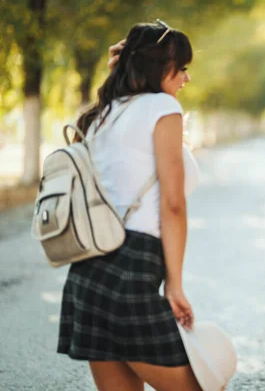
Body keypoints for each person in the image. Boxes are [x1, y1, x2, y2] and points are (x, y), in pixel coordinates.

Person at [57, 21, 203, 391]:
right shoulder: (161, 107)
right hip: (134, 266)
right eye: (182, 67)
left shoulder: (103, 114)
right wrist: (175, 284)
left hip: (88, 269)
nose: (186, 78)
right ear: (160, 66)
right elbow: (172, 205)